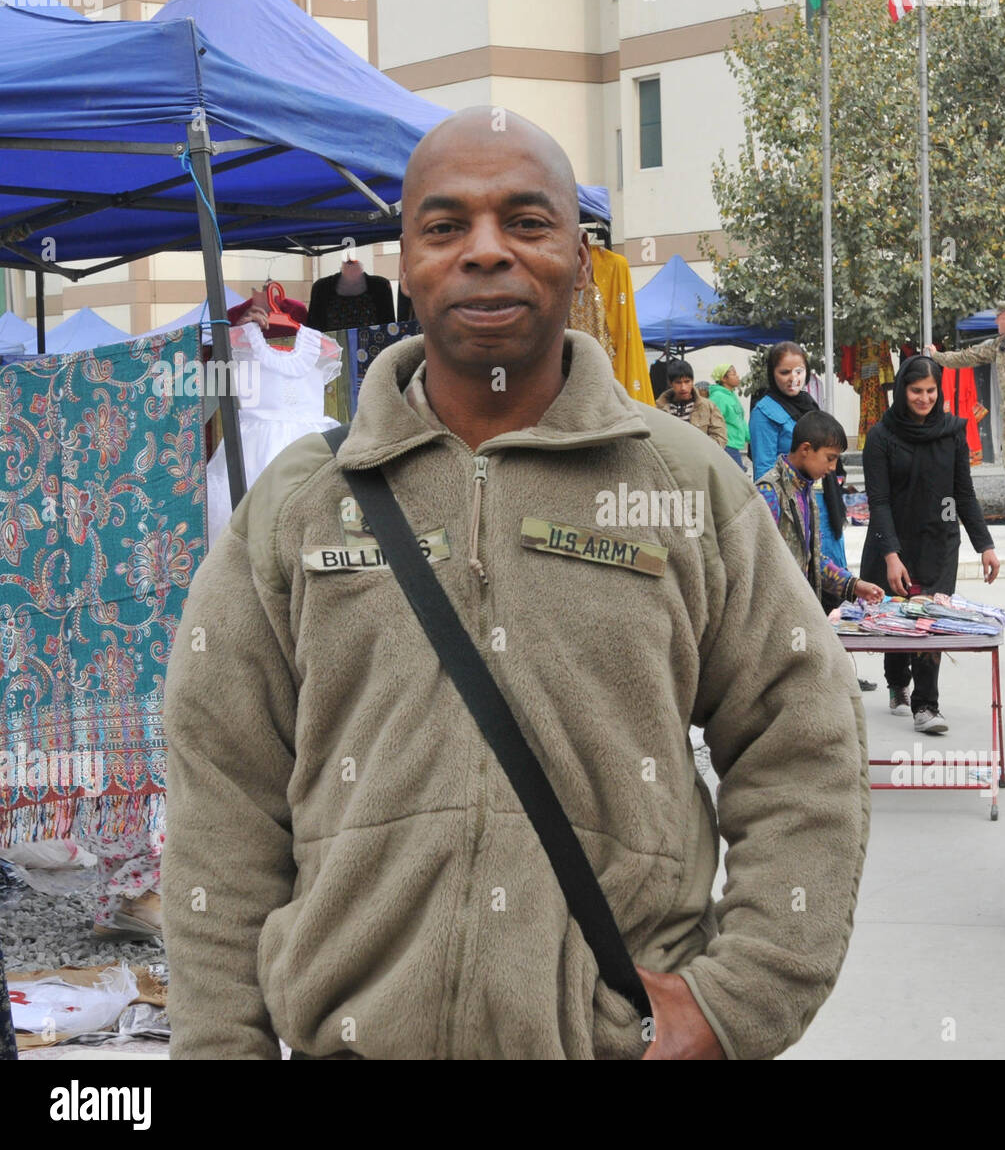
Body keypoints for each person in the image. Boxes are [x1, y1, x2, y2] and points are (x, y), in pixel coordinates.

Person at [161, 107, 870, 1060]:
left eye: (527, 223)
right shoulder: (300, 503)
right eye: (445, 226)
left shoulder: (682, 483)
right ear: (404, 262)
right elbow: (222, 792)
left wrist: (740, 999)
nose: (485, 252)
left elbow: (805, 740)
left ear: (580, 262)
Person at [860, 356, 1000, 734]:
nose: (923, 398)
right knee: (896, 620)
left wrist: (984, 544)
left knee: (929, 621)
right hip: (893, 539)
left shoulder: (953, 431)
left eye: (930, 391)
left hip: (938, 542)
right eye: (915, 391)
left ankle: (927, 705)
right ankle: (896, 682)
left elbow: (963, 492)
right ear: (903, 391)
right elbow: (879, 501)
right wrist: (890, 555)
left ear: (939, 391)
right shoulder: (881, 437)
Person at [928, 297, 1005, 542]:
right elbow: (969, 357)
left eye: (998, 317)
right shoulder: (1000, 345)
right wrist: (938, 358)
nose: (996, 321)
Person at [756, 411, 884, 607]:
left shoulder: (804, 490)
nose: (833, 467)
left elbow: (811, 559)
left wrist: (854, 585)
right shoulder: (769, 493)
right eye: (830, 458)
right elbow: (756, 563)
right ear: (806, 449)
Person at [750, 342, 848, 570]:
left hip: (824, 501)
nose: (792, 378)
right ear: (772, 373)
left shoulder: (809, 403)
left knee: (830, 569)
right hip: (791, 507)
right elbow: (764, 470)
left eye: (799, 371)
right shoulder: (764, 412)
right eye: (784, 372)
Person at [654, 357, 728, 447]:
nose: (683, 387)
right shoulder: (659, 409)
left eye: (687, 381)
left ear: (692, 381)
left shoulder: (708, 406)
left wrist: (702, 452)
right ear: (670, 383)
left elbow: (720, 437)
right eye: (678, 382)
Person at [709, 362, 749, 470]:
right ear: (723, 378)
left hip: (734, 445)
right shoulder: (718, 397)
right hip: (727, 445)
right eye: (734, 374)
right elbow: (713, 422)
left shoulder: (731, 395)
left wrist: (749, 437)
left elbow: (740, 419)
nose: (738, 376)